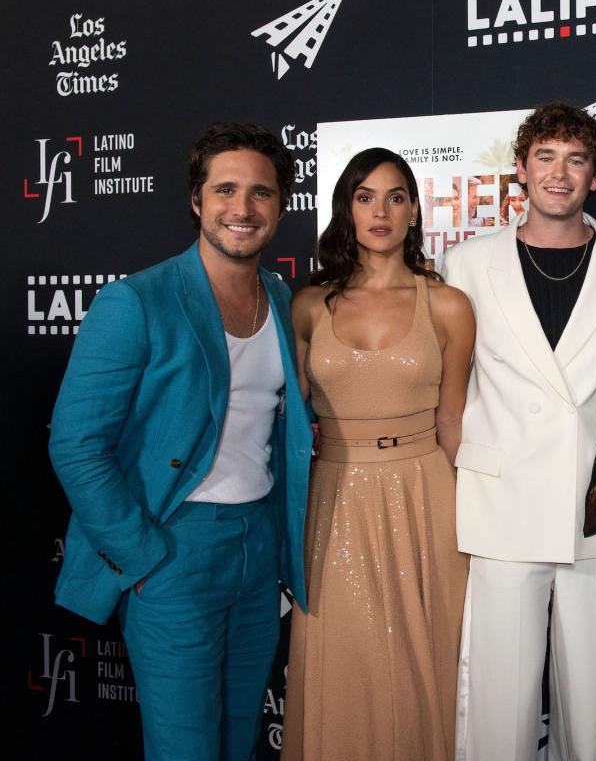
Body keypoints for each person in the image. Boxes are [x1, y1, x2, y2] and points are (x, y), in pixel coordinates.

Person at [48, 122, 311, 761]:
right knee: (185, 748)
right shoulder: (136, 301)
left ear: (280, 207)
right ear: (197, 202)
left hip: (258, 553)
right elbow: (76, 445)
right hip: (174, 549)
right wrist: (145, 556)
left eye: (261, 193)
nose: (242, 208)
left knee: (239, 737)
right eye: (225, 190)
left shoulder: (282, 297)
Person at [442, 101, 596, 761]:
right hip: (501, 508)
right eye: (546, 158)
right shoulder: (466, 264)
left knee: (594, 713)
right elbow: (446, 387)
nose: (559, 174)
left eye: (576, 159)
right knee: (497, 714)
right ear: (521, 170)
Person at [281, 148, 474, 761]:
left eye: (395, 196)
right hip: (334, 496)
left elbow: (453, 419)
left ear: (415, 210)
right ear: (347, 209)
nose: (381, 211)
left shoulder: (447, 305)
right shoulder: (310, 304)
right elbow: (287, 418)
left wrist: (472, 520)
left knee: (425, 661)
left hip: (425, 493)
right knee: (344, 660)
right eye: (365, 197)